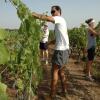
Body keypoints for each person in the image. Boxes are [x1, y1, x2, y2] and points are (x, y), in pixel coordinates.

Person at [32, 5, 69, 98]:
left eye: (53, 11)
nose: (52, 13)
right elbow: (57, 39)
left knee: (54, 72)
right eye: (51, 12)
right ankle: (65, 92)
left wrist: (35, 15)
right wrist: (48, 43)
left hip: (60, 51)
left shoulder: (59, 19)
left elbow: (47, 18)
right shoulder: (59, 24)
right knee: (61, 72)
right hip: (65, 50)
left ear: (59, 12)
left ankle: (51, 95)